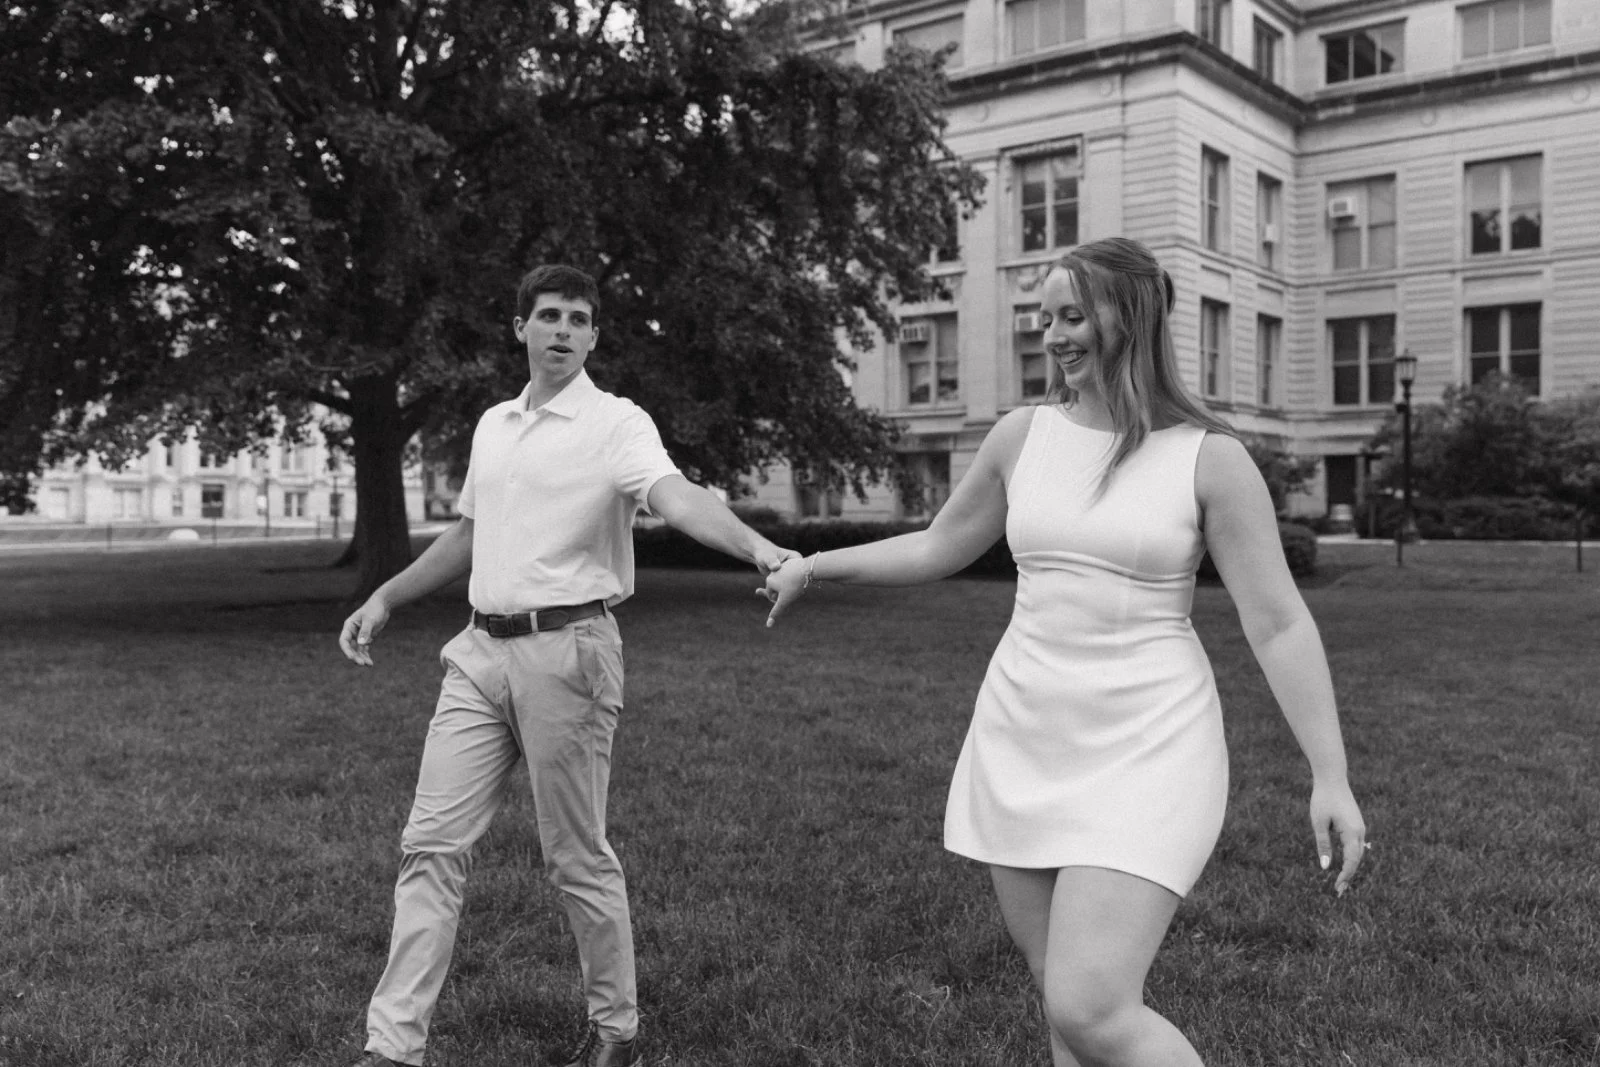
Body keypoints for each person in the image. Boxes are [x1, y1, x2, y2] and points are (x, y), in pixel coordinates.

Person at [760, 237, 1366, 1067]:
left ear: (1132, 319)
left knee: (1092, 1004)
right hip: (1024, 733)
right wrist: (813, 565)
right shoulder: (1022, 437)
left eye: (1072, 316)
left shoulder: (1209, 457)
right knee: (1059, 992)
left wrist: (1329, 772)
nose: (1052, 336)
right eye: (1044, 319)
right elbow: (938, 544)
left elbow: (1279, 622)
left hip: (1150, 742)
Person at [338, 264, 794, 1067]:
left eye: (579, 319)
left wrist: (761, 547)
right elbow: (468, 533)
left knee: (575, 854)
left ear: (593, 336)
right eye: (549, 315)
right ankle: (393, 1046)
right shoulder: (494, 424)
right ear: (520, 326)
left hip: (570, 653)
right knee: (430, 845)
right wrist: (388, 595)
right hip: (477, 653)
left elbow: (677, 494)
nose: (563, 329)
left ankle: (616, 1030)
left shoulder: (616, 423)